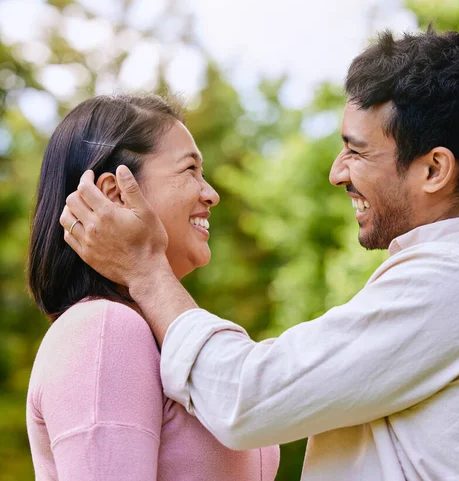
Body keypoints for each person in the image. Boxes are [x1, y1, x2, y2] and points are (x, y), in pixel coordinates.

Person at [61, 29, 459, 481]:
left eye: (356, 151)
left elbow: (249, 396)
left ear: (433, 170)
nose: (337, 172)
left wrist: (148, 273)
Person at [26, 94, 279, 481]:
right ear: (114, 195)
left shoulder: (154, 332)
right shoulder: (104, 330)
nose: (211, 194)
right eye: (189, 170)